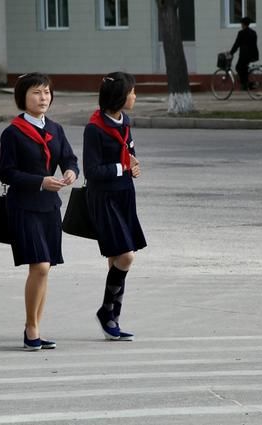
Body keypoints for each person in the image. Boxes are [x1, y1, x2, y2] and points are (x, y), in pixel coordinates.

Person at [0, 73, 79, 351]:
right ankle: (31, 327)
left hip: (50, 207)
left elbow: (69, 158)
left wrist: (70, 172)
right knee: (40, 265)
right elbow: (6, 173)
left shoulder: (56, 129)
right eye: (36, 93)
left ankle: (35, 327)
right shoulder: (12, 133)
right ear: (22, 97)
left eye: (46, 92)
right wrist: (40, 181)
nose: (43, 98)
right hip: (23, 206)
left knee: (45, 269)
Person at [83, 71, 147, 342]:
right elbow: (92, 170)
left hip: (124, 194)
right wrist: (122, 167)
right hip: (104, 197)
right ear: (119, 96)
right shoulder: (95, 128)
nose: (135, 96)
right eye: (131, 91)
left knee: (115, 259)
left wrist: (133, 163)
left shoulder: (125, 121)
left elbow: (127, 148)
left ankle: (113, 320)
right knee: (126, 256)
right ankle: (106, 312)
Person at [229, 16, 259, 90]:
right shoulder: (253, 32)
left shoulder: (241, 33)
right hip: (254, 55)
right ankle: (246, 84)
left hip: (245, 55)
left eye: (241, 24)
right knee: (244, 68)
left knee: (238, 67)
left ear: (244, 24)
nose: (241, 25)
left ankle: (246, 85)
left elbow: (236, 44)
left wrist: (231, 53)